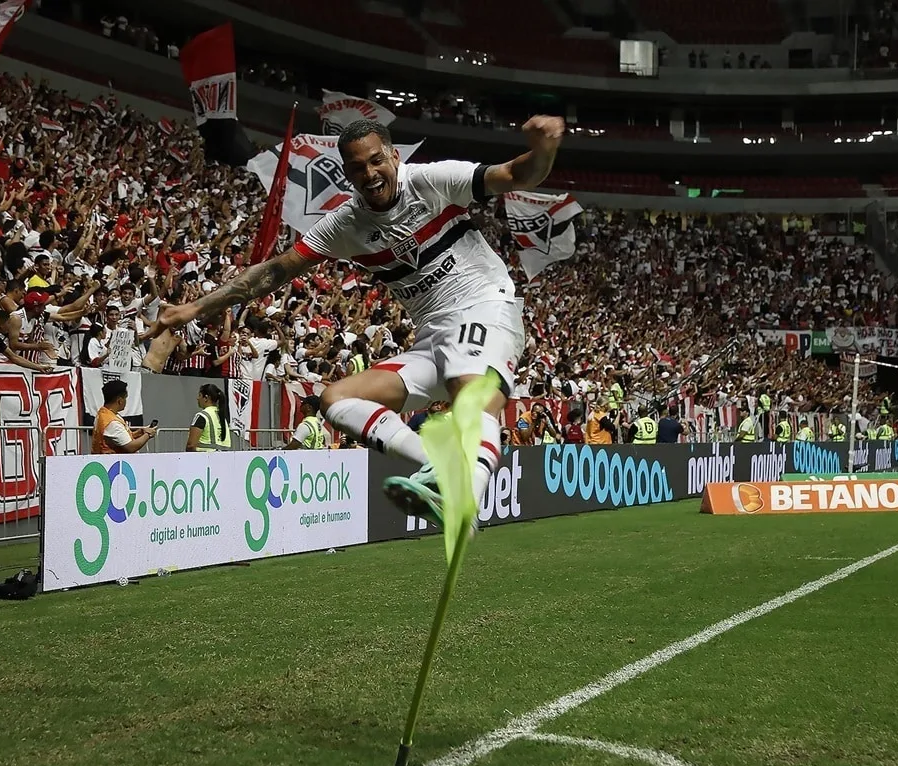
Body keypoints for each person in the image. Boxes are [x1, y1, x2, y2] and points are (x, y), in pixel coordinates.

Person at [151, 115, 565, 526]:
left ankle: (467, 490)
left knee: (469, 394)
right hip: (432, 335)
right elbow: (274, 271)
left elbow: (515, 173)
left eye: (376, 160)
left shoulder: (430, 180)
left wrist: (544, 150)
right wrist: (193, 309)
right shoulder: (346, 224)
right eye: (356, 167)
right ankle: (439, 468)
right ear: (346, 173)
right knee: (336, 400)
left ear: (393, 156)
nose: (369, 173)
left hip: (484, 306)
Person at [92, 379, 156, 454]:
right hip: (114, 463)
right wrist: (148, 434)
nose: (126, 401)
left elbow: (121, 439)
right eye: (125, 398)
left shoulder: (104, 413)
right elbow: (131, 447)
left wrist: (139, 432)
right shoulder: (112, 423)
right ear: (120, 401)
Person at [187, 383, 232, 452]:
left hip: (204, 459)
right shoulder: (222, 417)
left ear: (206, 398)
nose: (197, 398)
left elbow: (191, 445)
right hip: (224, 458)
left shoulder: (202, 416)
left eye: (199, 395)